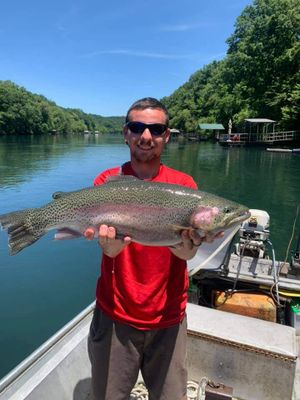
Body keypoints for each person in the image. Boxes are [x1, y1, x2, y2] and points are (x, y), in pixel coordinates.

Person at [85, 98, 208, 400]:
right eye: (137, 127)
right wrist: (109, 249)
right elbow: (108, 250)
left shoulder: (185, 187)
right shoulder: (107, 182)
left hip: (168, 319)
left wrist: (188, 249)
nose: (146, 136)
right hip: (115, 317)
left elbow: (187, 254)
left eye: (156, 128)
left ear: (167, 135)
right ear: (125, 133)